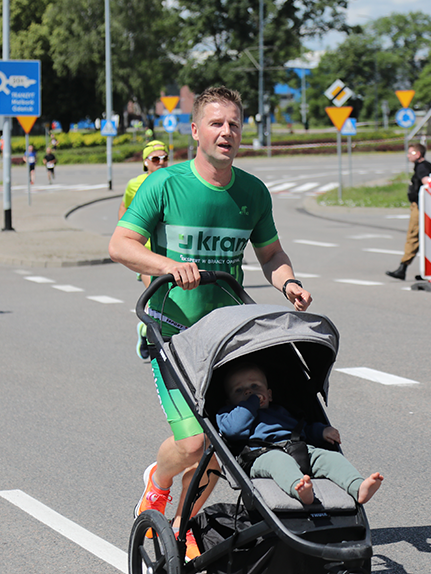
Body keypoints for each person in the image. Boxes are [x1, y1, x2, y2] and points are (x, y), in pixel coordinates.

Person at [109, 86, 312, 558]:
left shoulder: (252, 192)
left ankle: (183, 525)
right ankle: (156, 485)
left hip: (225, 336)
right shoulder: (165, 184)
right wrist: (166, 266)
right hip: (171, 331)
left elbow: (271, 253)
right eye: (216, 123)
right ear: (195, 130)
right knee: (196, 442)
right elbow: (121, 244)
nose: (227, 132)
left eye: (235, 124)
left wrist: (289, 283)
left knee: (229, 441)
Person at [216, 362, 384, 505]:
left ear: (269, 395)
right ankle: (300, 489)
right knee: (280, 461)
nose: (248, 392)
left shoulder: (281, 411)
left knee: (330, 458)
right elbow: (234, 430)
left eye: (255, 386)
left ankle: (358, 487)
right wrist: (251, 403)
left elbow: (302, 429)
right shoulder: (228, 414)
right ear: (229, 401)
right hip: (261, 455)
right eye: (239, 390)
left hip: (298, 448)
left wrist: (321, 431)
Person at [117, 139, 168, 360]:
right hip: (144, 251)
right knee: (156, 292)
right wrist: (126, 239)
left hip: (167, 251)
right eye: (155, 159)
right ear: (146, 162)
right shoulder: (134, 185)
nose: (161, 162)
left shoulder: (173, 180)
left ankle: (148, 329)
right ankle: (151, 334)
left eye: (165, 158)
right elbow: (124, 207)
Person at [386, 143, 431, 281]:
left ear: (418, 154)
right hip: (426, 207)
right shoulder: (427, 165)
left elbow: (428, 182)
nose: (408, 156)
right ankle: (428, 271)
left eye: (410, 153)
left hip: (420, 207)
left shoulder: (421, 167)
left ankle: (403, 268)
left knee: (413, 236)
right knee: (426, 239)